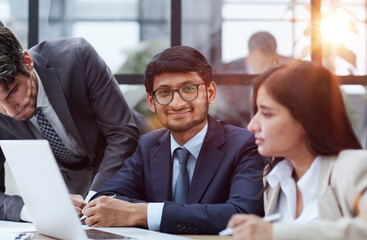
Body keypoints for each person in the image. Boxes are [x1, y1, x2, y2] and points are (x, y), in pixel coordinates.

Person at [79, 46, 265, 234]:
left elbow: (243, 214)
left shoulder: (245, 145)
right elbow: (107, 197)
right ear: (151, 102)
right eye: (164, 93)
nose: (177, 103)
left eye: (188, 89)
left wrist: (142, 213)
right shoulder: (148, 144)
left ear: (210, 93)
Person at [0, 21, 148, 222]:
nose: (10, 111)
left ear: (27, 62)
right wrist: (36, 209)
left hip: (135, 170)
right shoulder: (5, 109)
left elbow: (122, 134)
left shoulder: (76, 56)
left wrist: (95, 198)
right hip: (74, 200)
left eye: (12, 91)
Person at [226, 60, 367, 240]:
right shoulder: (275, 179)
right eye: (256, 113)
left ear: (308, 118)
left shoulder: (353, 167)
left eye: (267, 113)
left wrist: (274, 233)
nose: (252, 126)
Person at [214, 31, 290, 128]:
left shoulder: (286, 69)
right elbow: (225, 113)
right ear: (248, 58)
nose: (266, 68)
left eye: (271, 62)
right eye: (261, 63)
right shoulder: (228, 73)